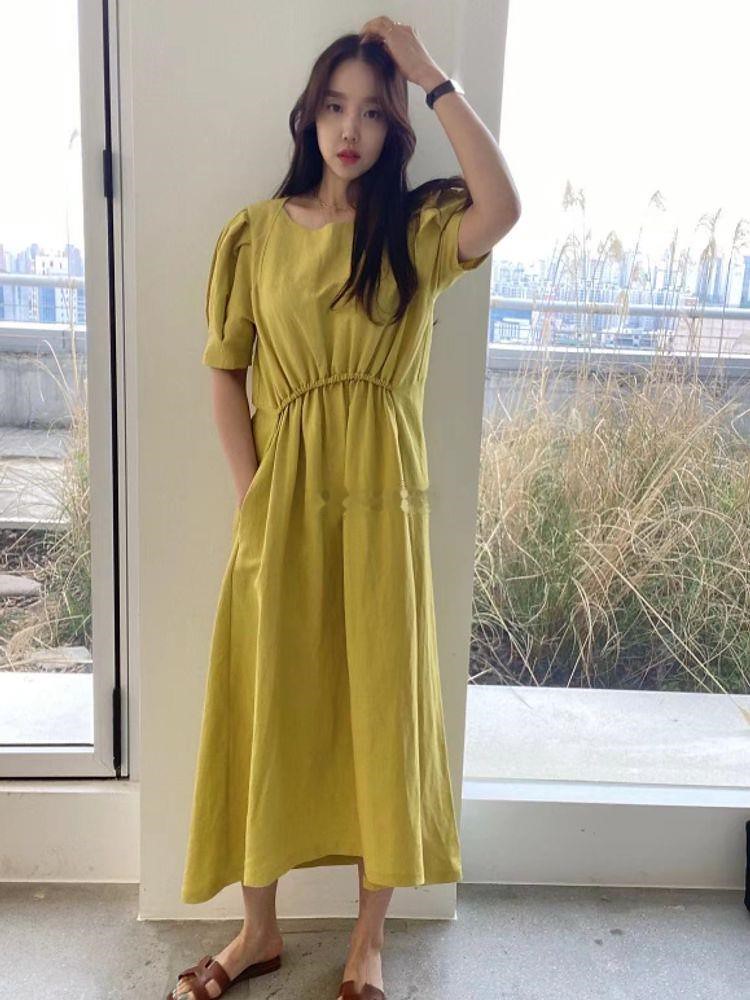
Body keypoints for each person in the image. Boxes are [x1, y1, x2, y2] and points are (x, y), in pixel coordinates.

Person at [169, 15, 521, 1000]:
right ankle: (258, 932)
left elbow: (504, 205)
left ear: (394, 124)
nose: (350, 128)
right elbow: (226, 374)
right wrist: (253, 499)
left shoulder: (415, 229)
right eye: (333, 106)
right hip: (280, 511)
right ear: (309, 117)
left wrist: (429, 71)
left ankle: (369, 940)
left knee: (381, 712)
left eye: (371, 109)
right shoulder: (253, 235)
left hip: (381, 514)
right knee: (265, 706)